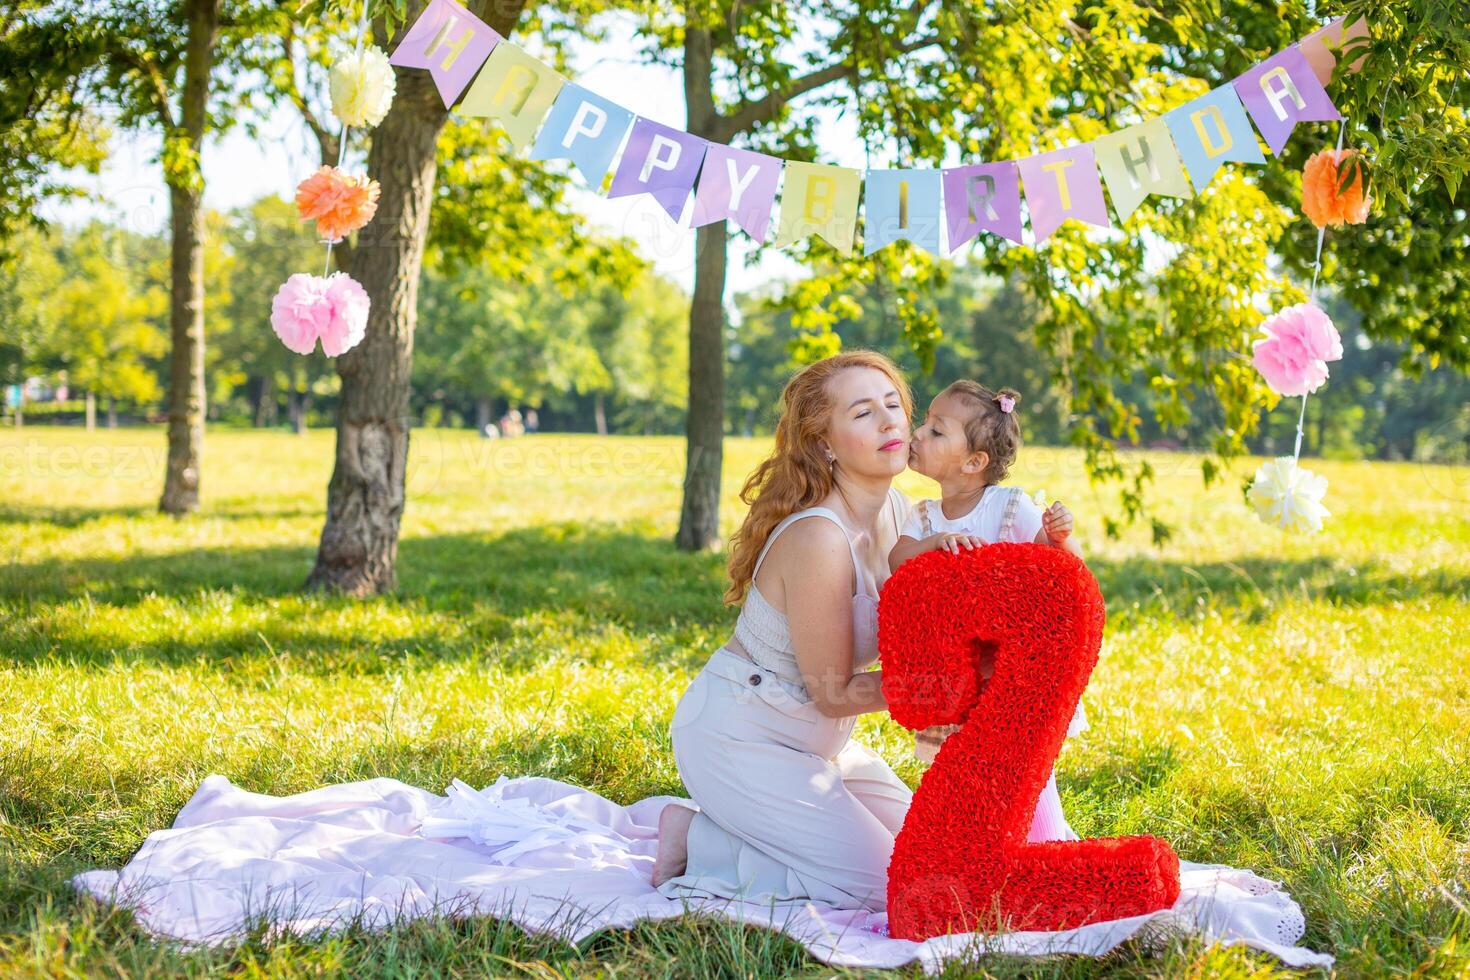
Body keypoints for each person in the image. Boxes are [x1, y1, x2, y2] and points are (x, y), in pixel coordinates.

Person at [651, 350, 916, 912]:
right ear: (824, 442)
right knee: (888, 888)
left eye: (893, 404)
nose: (890, 420)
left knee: (929, 854)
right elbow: (834, 692)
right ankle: (697, 839)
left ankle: (753, 830)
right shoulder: (819, 536)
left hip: (823, 748)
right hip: (740, 735)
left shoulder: (901, 514)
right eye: (864, 412)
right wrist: (954, 683)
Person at [888, 379, 1088, 841]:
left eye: (936, 431)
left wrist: (1059, 536)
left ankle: (1046, 843)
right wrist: (934, 545)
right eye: (925, 424)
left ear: (975, 462)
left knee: (1025, 768)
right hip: (959, 679)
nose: (917, 434)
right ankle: (979, 845)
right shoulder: (922, 517)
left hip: (1012, 676)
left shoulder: (1009, 507)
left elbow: (1062, 573)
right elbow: (897, 562)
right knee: (964, 766)